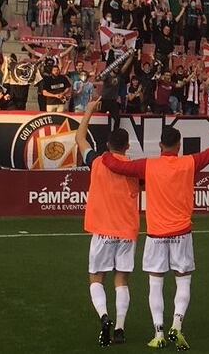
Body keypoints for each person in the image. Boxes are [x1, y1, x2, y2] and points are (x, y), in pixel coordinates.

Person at [98, 96, 209, 350]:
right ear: (178, 145)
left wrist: (104, 153)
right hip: (182, 233)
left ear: (160, 145)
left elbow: (115, 165)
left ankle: (158, 333)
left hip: (156, 234)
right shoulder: (190, 163)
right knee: (183, 281)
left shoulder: (148, 165)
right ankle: (177, 325)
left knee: (155, 283)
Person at [75, 101, 140, 346]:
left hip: (103, 231)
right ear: (127, 147)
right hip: (127, 232)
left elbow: (79, 138)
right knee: (121, 281)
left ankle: (104, 316)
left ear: (107, 146)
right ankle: (120, 327)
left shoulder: (97, 161)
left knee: (96, 278)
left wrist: (89, 110)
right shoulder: (134, 168)